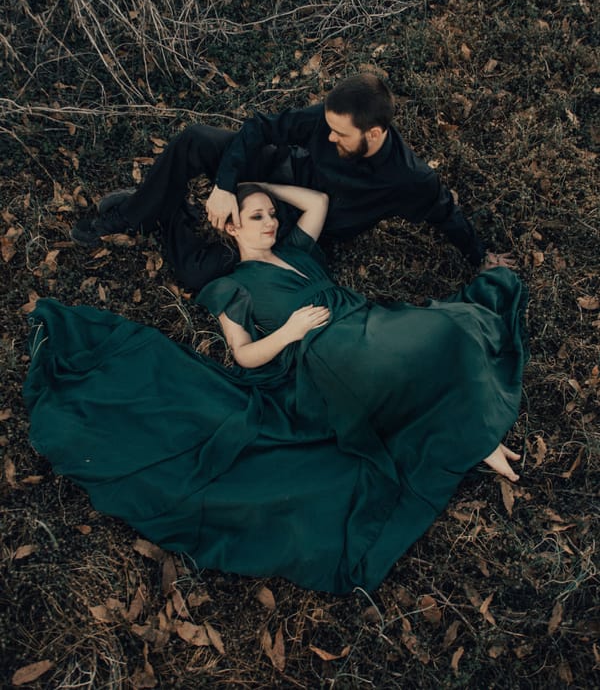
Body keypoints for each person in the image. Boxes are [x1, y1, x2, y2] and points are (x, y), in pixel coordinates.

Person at [25, 183, 528, 594]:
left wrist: (250, 175)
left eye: (271, 214)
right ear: (230, 224)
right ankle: (475, 434)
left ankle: (472, 433)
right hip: (325, 357)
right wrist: (288, 332)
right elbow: (242, 353)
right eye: (257, 216)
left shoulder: (296, 252)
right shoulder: (231, 283)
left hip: (365, 321)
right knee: (431, 348)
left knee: (451, 333)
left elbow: (318, 202)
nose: (270, 222)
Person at [70, 73, 514, 289]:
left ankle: (168, 213)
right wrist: (225, 185)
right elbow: (261, 126)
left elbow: (446, 215)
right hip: (278, 172)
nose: (330, 136)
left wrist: (480, 256)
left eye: (341, 135)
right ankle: (132, 215)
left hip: (301, 224)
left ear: (374, 134)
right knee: (194, 140)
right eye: (330, 127)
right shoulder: (328, 120)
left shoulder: (409, 179)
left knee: (202, 273)